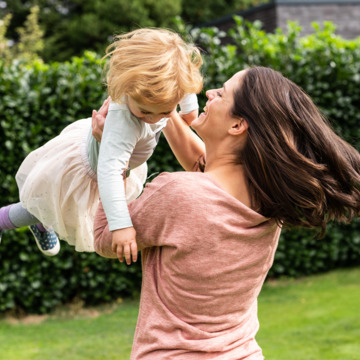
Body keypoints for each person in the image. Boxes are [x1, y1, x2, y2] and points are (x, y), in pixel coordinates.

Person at [93, 66, 360, 359]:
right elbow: (203, 168)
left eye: (221, 93)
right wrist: (162, 106)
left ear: (237, 126)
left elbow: (105, 236)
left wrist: (113, 154)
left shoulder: (176, 194)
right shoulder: (267, 200)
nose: (209, 92)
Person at [0, 28, 203, 258]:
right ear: (126, 89)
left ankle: (42, 219)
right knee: (43, 209)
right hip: (89, 172)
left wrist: (189, 108)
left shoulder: (168, 85)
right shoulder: (124, 121)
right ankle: (4, 220)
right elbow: (110, 171)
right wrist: (121, 226)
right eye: (145, 111)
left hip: (115, 161)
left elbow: (184, 81)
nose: (154, 119)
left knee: (51, 209)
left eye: (165, 111)